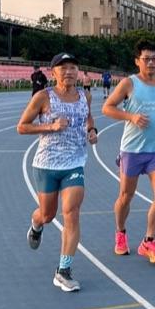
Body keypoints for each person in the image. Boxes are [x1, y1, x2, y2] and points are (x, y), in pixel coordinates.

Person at [17, 52, 97, 292]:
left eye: (73, 67)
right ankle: (36, 224)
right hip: (47, 165)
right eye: (63, 68)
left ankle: (63, 271)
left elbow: (88, 117)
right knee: (48, 214)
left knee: (71, 212)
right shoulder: (43, 97)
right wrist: (51, 126)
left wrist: (92, 130)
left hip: (74, 163)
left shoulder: (85, 96)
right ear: (53, 73)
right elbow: (22, 127)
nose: (69, 72)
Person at [102, 39, 155, 263]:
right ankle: (120, 232)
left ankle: (149, 241)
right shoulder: (129, 83)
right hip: (133, 150)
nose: (151, 63)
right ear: (138, 61)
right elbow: (107, 108)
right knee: (126, 196)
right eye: (146, 59)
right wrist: (131, 117)